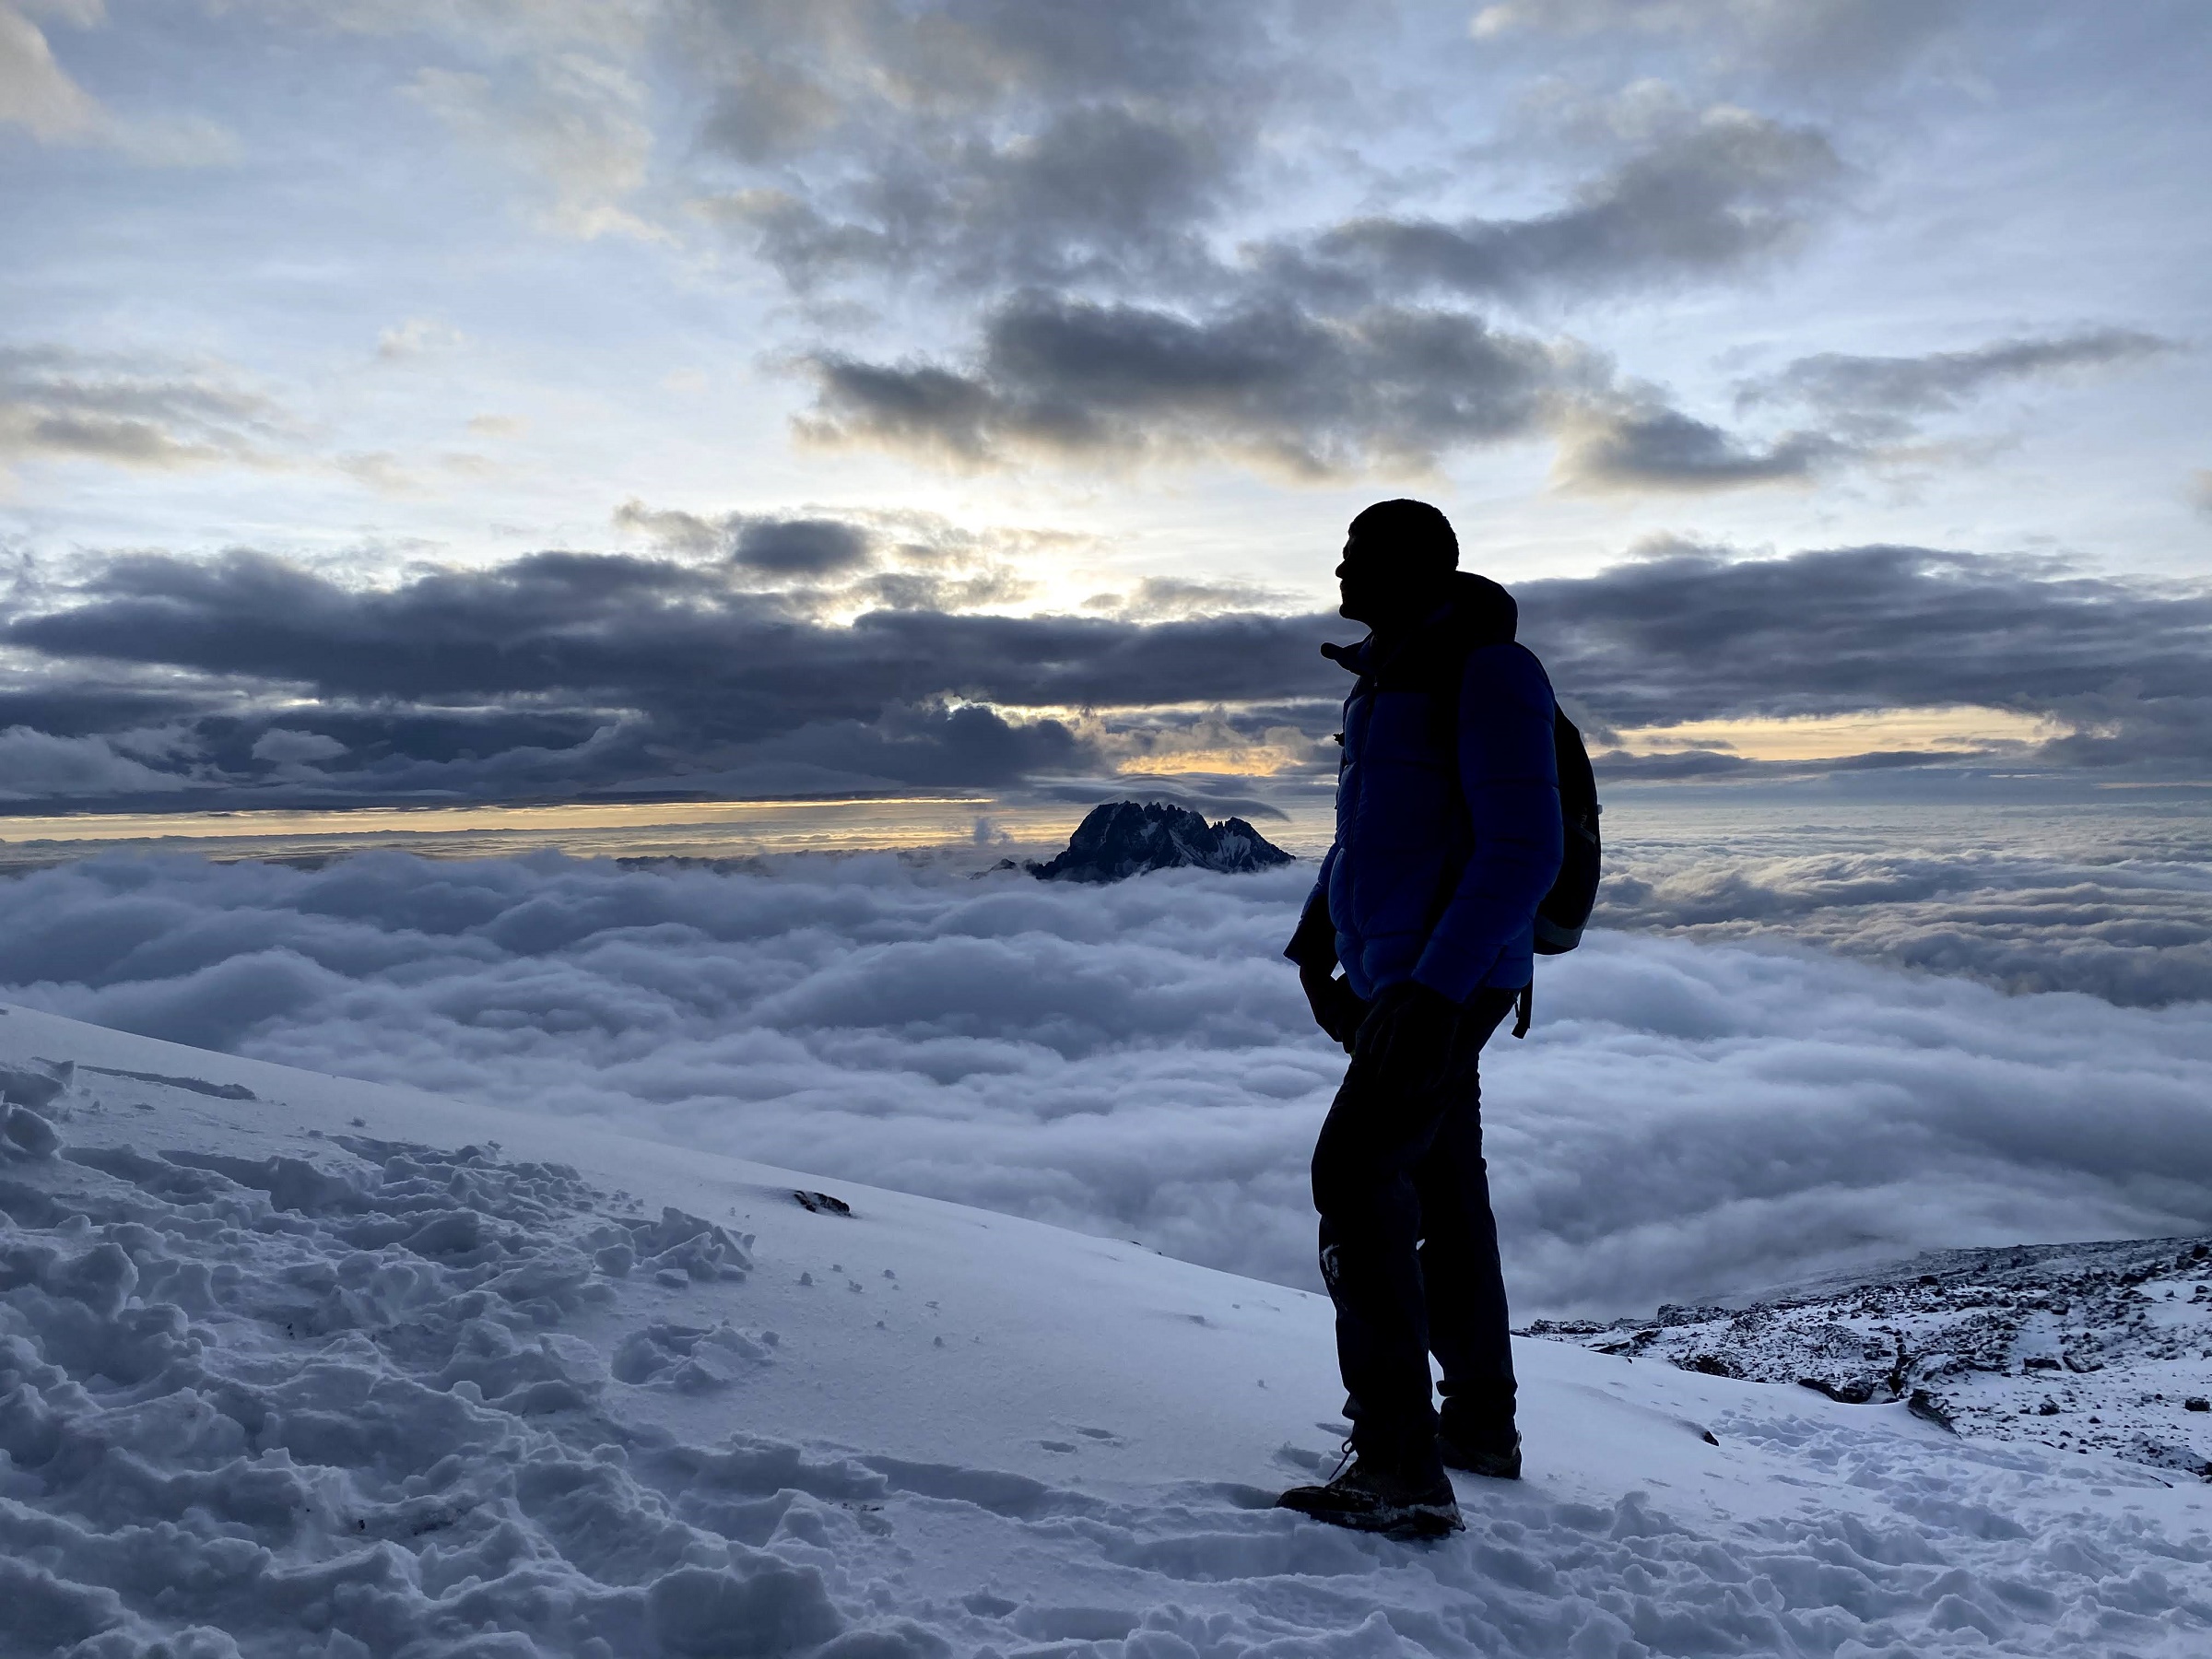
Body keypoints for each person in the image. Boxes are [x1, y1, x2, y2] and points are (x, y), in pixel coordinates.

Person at [1276, 499, 1564, 1538]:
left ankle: (1399, 1459)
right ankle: (1480, 1424)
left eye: (1361, 552)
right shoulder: (1389, 677)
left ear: (1421, 565)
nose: (1342, 565)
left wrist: (1432, 992)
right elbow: (1368, 837)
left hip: (1443, 983)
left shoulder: (1488, 672)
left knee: (1353, 1173)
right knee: (1442, 1181)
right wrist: (1318, 936)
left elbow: (1525, 849)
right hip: (1403, 976)